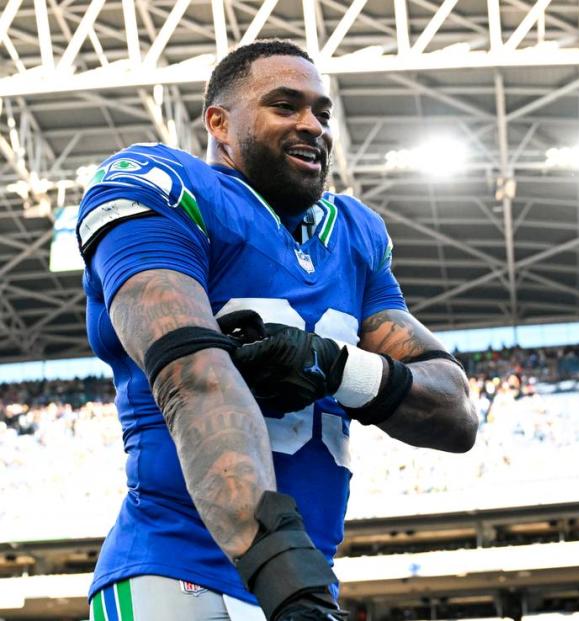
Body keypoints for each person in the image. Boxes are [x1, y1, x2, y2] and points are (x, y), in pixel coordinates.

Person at [76, 39, 478, 620]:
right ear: (219, 122)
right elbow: (193, 378)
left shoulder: (354, 232)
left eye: (322, 111)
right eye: (285, 106)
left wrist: (335, 366)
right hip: (178, 572)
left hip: (304, 580)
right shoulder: (163, 186)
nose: (312, 125)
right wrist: (292, 588)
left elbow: (454, 412)